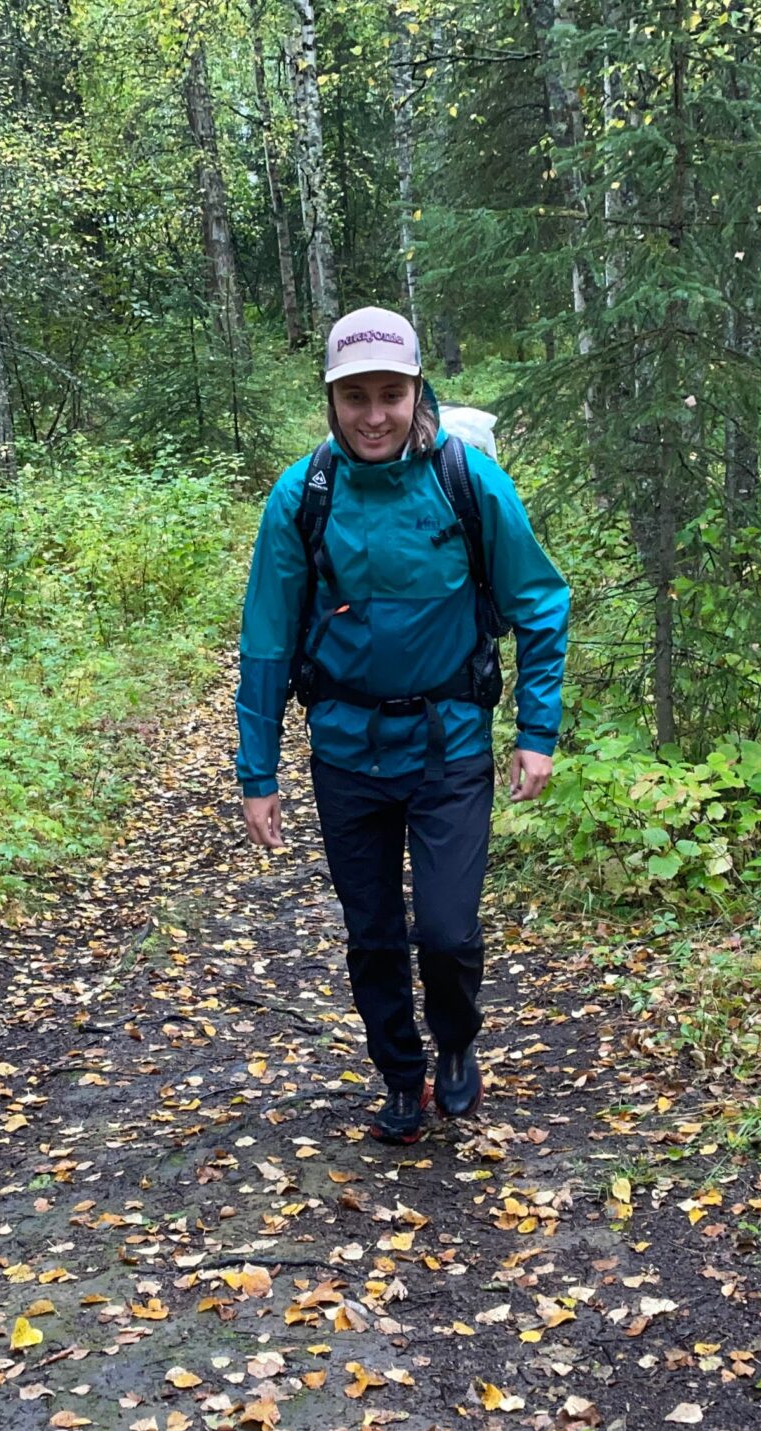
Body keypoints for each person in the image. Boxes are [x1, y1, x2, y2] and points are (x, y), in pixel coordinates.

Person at [234, 307, 571, 1143]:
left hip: (449, 745)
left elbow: (539, 599)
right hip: (346, 756)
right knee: (374, 935)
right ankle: (400, 1074)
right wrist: (258, 772)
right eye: (356, 396)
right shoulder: (303, 494)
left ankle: (455, 1046)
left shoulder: (467, 479)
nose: (374, 414)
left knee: (449, 931)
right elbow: (269, 637)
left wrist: (537, 730)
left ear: (418, 391)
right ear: (332, 399)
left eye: (391, 394)